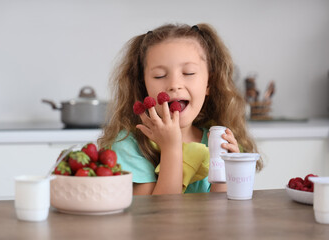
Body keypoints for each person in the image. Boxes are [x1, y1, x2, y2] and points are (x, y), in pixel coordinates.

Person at [98, 23, 263, 195]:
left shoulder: (219, 141)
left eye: (189, 73)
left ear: (209, 84)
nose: (174, 85)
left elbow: (223, 215)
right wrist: (171, 149)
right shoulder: (129, 147)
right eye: (159, 76)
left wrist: (227, 170)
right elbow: (156, 216)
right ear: (143, 86)